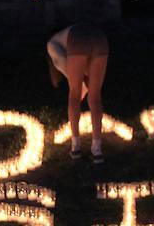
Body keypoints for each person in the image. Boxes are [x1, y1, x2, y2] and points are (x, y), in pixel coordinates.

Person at [47, 22, 110, 163]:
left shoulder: (51, 44)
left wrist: (82, 86)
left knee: (74, 95)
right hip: (100, 38)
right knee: (95, 97)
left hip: (78, 39)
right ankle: (97, 150)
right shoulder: (64, 35)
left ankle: (75, 147)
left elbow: (67, 71)